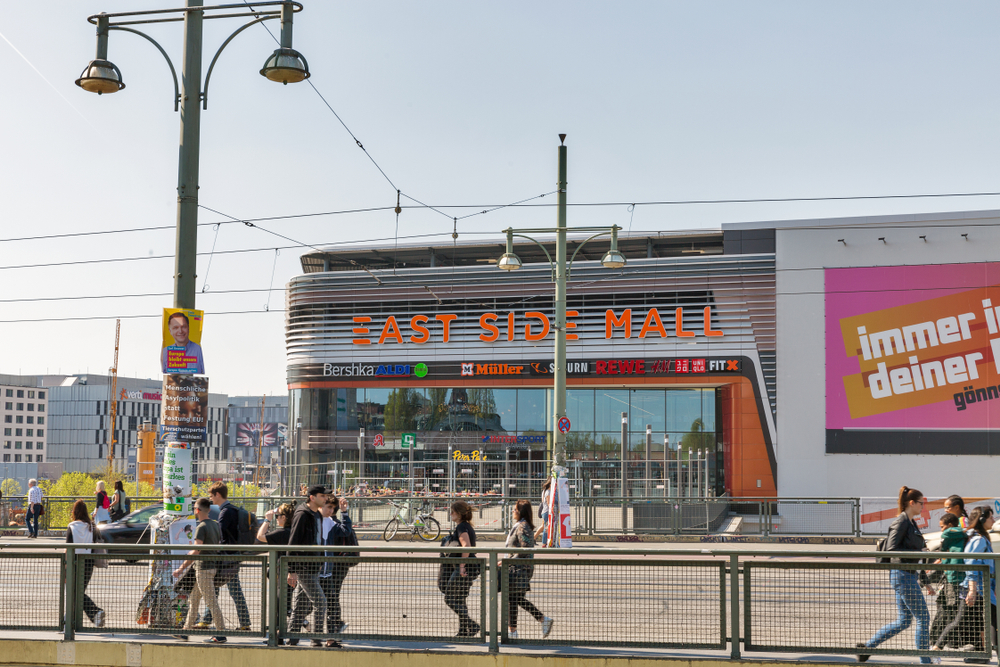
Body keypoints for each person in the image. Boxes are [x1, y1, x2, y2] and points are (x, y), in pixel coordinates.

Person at [858, 486, 931, 664]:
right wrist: (917, 551)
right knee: (923, 617)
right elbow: (892, 549)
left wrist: (923, 575)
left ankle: (866, 648)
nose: (923, 507)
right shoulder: (902, 521)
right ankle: (926, 661)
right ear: (912, 503)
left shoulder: (911, 522)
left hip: (907, 575)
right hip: (902, 575)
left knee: (904, 620)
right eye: (921, 503)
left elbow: (913, 551)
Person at [293, 495, 353, 648]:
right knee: (302, 606)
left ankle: (328, 639)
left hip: (326, 574)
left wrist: (345, 513)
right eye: (328, 507)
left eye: (333, 508)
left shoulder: (331, 522)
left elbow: (345, 531)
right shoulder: (312, 520)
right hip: (311, 572)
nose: (331, 511)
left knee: (329, 605)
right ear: (320, 505)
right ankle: (293, 637)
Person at [196, 482, 251, 637]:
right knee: (217, 587)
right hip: (233, 555)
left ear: (218, 495)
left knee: (231, 589)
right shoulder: (233, 510)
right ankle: (208, 619)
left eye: (211, 496)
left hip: (226, 557)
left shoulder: (224, 513)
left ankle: (244, 623)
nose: (211, 499)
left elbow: (221, 537)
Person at [172, 497, 225, 642]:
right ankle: (185, 631)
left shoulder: (201, 527)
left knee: (211, 602)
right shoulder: (214, 525)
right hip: (210, 567)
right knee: (194, 600)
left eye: (194, 507)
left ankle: (221, 633)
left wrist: (181, 568)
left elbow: (196, 551)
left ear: (197, 510)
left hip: (203, 569)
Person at [504, 500, 553, 640]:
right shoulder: (522, 525)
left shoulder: (523, 527)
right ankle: (541, 620)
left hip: (519, 569)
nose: (513, 512)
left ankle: (513, 632)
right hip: (519, 568)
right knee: (515, 598)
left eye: (514, 509)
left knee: (513, 598)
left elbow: (524, 549)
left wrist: (509, 560)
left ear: (520, 512)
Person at [287, 485, 329, 647]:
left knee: (300, 606)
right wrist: (292, 570)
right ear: (312, 497)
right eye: (322, 496)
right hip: (304, 568)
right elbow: (293, 542)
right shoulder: (302, 514)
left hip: (313, 567)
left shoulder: (316, 514)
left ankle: (291, 638)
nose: (325, 499)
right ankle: (316, 639)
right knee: (321, 603)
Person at [959, 506, 997, 662]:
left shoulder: (981, 538)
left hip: (985, 588)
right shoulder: (978, 539)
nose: (993, 520)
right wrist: (973, 590)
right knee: (993, 622)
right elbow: (972, 563)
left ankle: (982, 654)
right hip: (981, 589)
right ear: (982, 519)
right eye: (990, 517)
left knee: (986, 622)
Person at [257, 503, 295, 646]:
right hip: (288, 574)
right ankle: (280, 636)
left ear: (284, 517)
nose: (277, 519)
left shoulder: (282, 533)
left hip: (284, 574)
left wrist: (267, 520)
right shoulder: (293, 531)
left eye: (278, 517)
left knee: (280, 607)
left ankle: (279, 637)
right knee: (283, 605)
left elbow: (260, 536)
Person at [930, 513, 969, 650]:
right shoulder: (963, 534)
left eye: (942, 526)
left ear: (950, 525)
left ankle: (939, 642)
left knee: (951, 612)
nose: (941, 530)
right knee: (954, 612)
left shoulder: (949, 534)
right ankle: (943, 642)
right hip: (957, 577)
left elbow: (945, 537)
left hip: (953, 577)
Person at [442, 499, 480, 637]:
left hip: (464, 568)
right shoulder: (466, 526)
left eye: (452, 511)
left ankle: (472, 625)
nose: (450, 514)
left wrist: (462, 566)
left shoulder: (461, 527)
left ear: (459, 513)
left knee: (449, 599)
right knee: (459, 599)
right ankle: (463, 631)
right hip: (470, 568)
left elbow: (466, 546)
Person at [65, 499, 105, 628]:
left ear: (75, 512)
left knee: (75, 591)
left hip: (74, 562)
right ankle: (82, 617)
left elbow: (68, 548)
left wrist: (66, 568)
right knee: (79, 591)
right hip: (88, 562)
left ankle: (93, 612)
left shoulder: (71, 526)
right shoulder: (92, 526)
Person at [534, 479, 552, 547]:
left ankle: (534, 537)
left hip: (545, 511)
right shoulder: (548, 492)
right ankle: (544, 542)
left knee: (544, 526)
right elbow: (548, 503)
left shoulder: (545, 491)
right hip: (546, 512)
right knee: (545, 527)